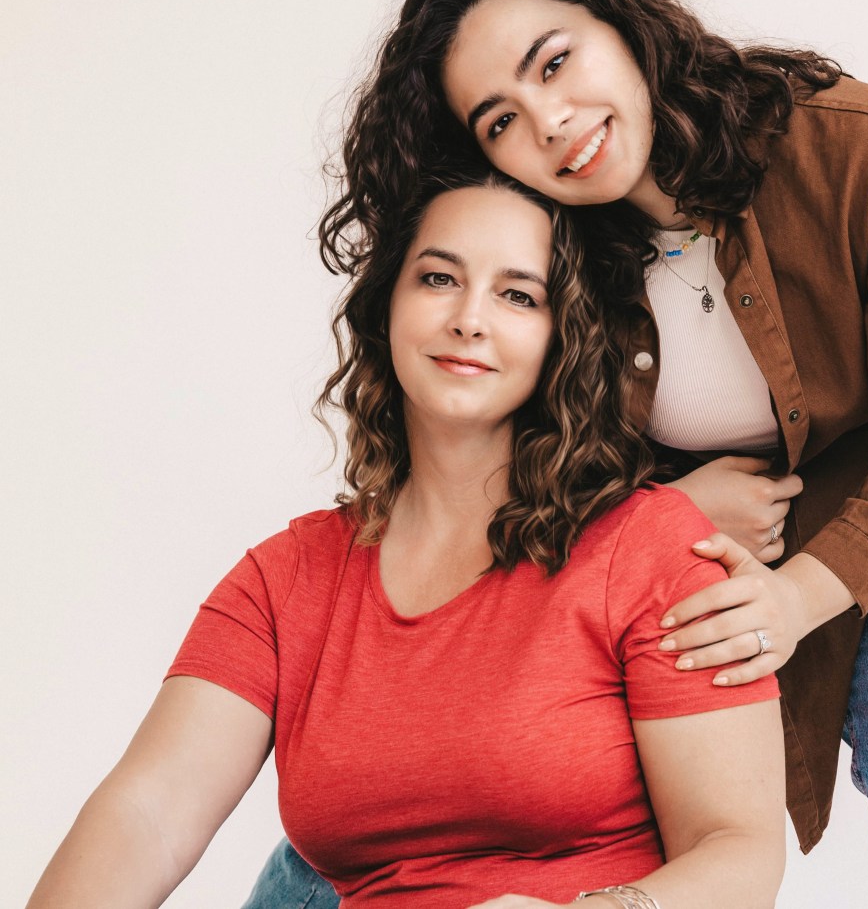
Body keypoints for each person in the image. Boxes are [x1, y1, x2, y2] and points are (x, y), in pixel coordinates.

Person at [246, 0, 868, 909]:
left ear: (621, 21)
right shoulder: (537, 245)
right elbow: (502, 440)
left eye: (554, 63)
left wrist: (793, 599)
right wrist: (664, 518)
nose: (551, 123)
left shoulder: (865, 152)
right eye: (500, 120)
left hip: (859, 510)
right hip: (625, 525)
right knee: (442, 759)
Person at [26, 169, 786, 909]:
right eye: (438, 278)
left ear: (564, 337)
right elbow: (150, 812)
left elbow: (738, 851)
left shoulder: (651, 547)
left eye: (518, 295)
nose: (470, 318)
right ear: (386, 305)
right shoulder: (284, 581)